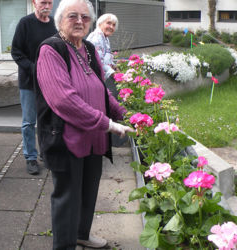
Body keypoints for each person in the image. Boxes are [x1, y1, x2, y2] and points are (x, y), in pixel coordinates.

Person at [35, 0, 134, 249]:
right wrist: (108, 124)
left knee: (89, 189)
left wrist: (124, 113)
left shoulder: (89, 48)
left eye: (85, 17)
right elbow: (63, 100)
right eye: (73, 16)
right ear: (60, 20)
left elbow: (101, 90)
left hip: (94, 136)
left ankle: (81, 234)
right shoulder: (51, 50)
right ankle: (64, 245)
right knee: (67, 195)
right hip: (66, 136)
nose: (80, 21)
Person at [11, 0, 57, 175]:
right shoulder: (25, 23)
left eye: (49, 2)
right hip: (29, 82)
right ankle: (30, 157)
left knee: (47, 120)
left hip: (49, 82)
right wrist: (34, 68)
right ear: (34, 3)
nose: (46, 5)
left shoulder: (54, 24)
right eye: (42, 2)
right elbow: (16, 51)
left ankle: (45, 153)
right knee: (29, 121)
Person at [87, 13, 127, 147]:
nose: (111, 27)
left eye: (114, 25)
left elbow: (106, 58)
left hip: (100, 78)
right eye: (108, 23)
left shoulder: (104, 37)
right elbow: (98, 61)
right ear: (100, 23)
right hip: (93, 78)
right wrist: (112, 73)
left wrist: (114, 67)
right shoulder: (96, 37)